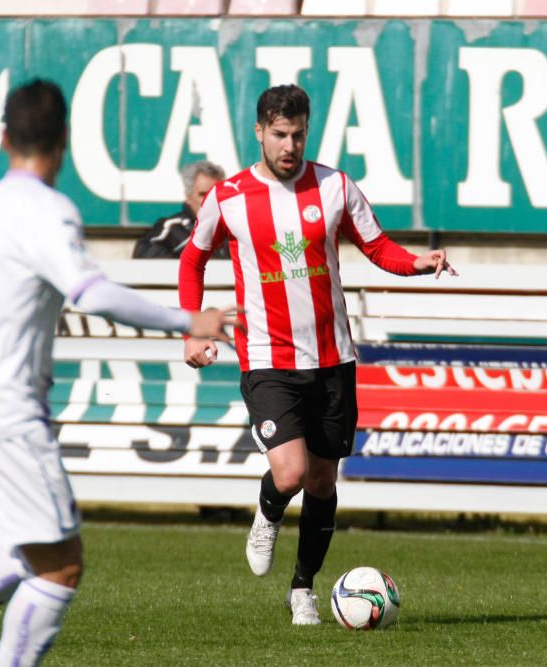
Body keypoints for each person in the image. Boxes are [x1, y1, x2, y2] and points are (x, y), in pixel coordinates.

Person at [0, 79, 236, 666]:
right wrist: (189, 319)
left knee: (32, 551)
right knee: (61, 565)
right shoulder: (47, 211)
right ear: (64, 140)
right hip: (9, 414)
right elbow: (90, 293)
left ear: (1, 139)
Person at [178, 84, 456, 625]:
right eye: (279, 134)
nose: (289, 145)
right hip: (266, 358)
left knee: (324, 482)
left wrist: (418, 263)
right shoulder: (230, 196)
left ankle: (303, 589)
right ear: (259, 131)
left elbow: (378, 247)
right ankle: (267, 514)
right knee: (290, 473)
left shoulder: (334, 187)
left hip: (332, 359)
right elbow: (192, 261)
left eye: (298, 134)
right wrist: (193, 330)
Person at [132, 160, 230, 259]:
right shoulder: (173, 228)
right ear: (188, 197)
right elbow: (142, 253)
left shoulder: (235, 231)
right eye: (203, 194)